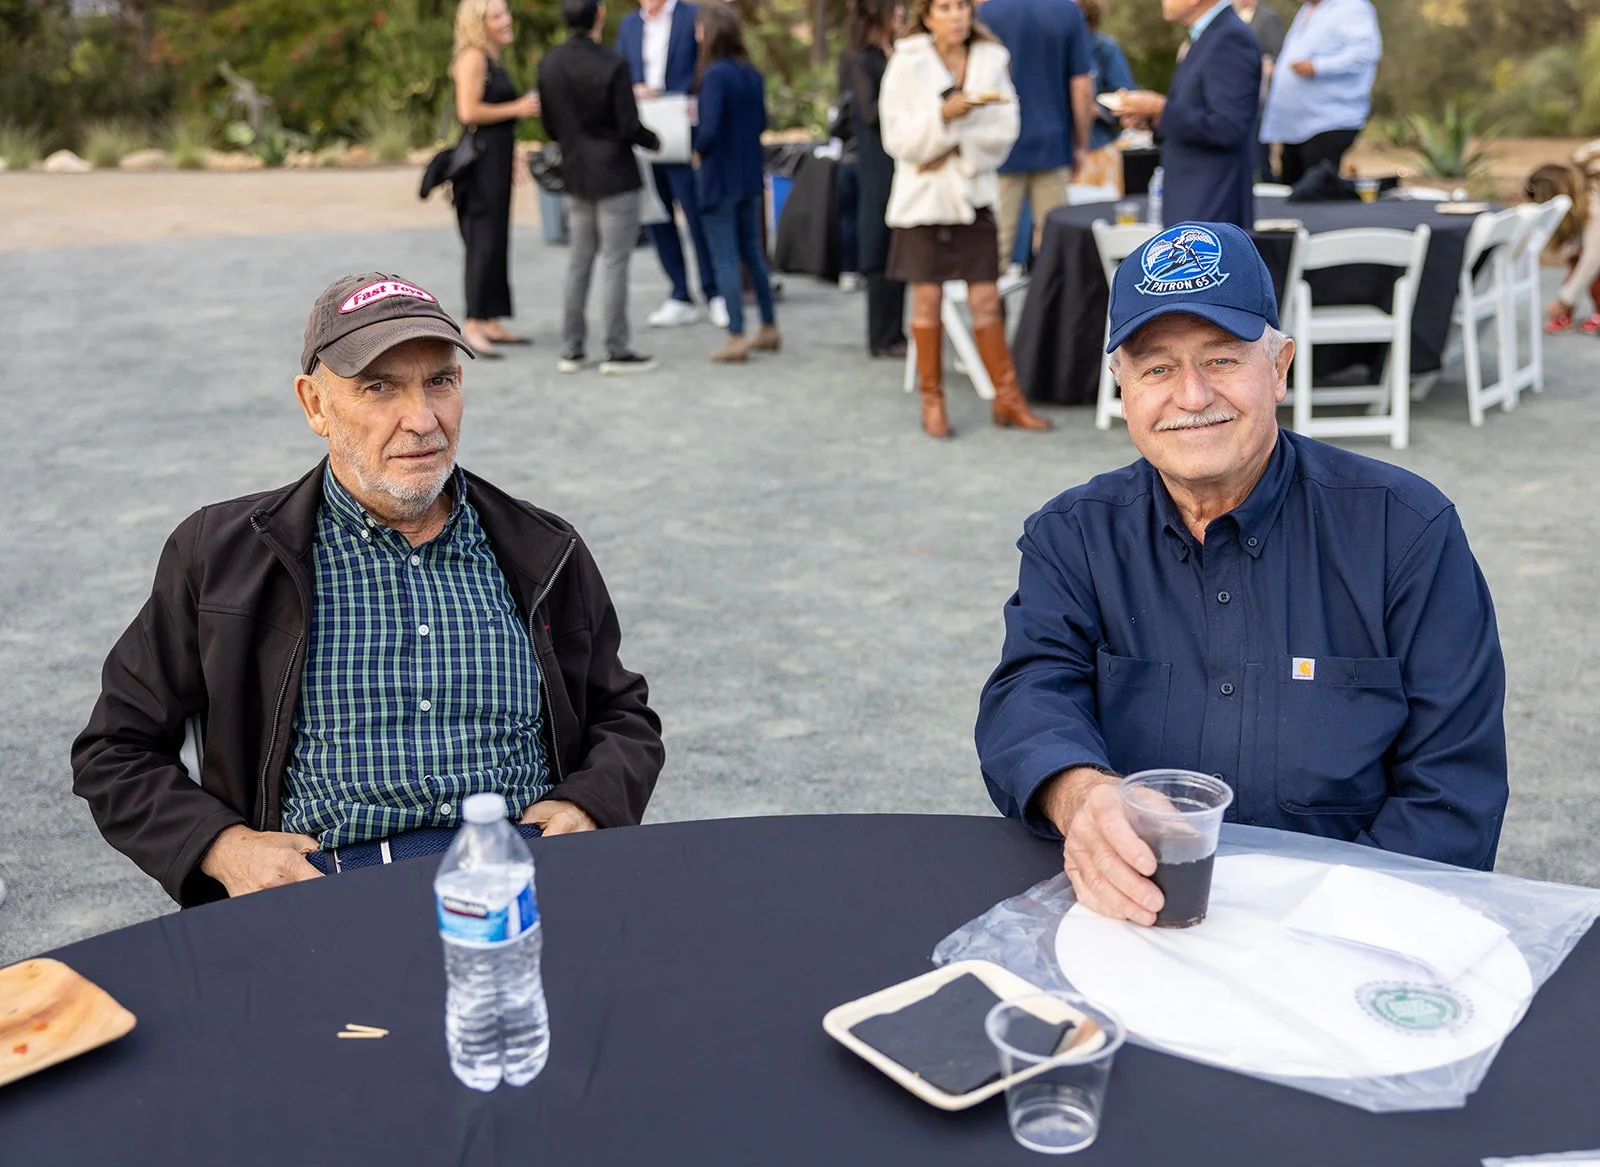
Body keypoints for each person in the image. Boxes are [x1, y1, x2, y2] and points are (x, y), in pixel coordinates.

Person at [72, 273, 666, 905]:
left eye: (440, 381)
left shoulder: (543, 549)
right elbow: (115, 749)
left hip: (523, 877)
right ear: (315, 406)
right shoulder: (220, 557)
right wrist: (224, 847)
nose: (422, 420)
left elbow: (622, 715)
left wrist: (590, 804)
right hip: (325, 894)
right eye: (379, 388)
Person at [976, 221, 1509, 924]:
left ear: (1280, 366)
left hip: (1350, 935)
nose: (1192, 395)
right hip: (1134, 920)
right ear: (1122, 386)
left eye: (1223, 359)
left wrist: (1311, 936)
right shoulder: (1073, 536)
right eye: (1157, 368)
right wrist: (1080, 792)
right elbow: (1030, 691)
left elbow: (1453, 792)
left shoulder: (1405, 531)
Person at [880, 0, 1051, 438]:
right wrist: (941, 118)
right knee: (927, 303)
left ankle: (1008, 399)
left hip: (973, 197)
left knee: (986, 301)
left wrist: (954, 146)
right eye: (945, 7)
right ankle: (932, 402)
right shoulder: (907, 61)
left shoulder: (992, 60)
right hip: (923, 203)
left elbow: (1004, 128)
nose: (956, 15)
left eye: (962, 6)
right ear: (927, 15)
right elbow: (895, 136)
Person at [538, 0, 663, 375]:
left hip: (576, 173)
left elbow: (548, 125)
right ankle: (616, 348)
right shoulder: (612, 63)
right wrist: (655, 140)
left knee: (579, 261)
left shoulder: (550, 63)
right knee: (615, 262)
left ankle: (572, 349)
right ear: (599, 16)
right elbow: (629, 126)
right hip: (615, 174)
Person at [617, 0, 725, 328]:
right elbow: (620, 68)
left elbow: (708, 67)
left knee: (697, 212)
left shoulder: (692, 16)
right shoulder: (629, 25)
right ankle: (679, 293)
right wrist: (632, 90)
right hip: (644, 128)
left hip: (682, 125)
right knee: (656, 213)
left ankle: (715, 290)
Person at [972, 0, 1094, 270]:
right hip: (1053, 143)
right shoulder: (1067, 11)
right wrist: (1081, 145)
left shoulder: (986, 12)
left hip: (999, 146)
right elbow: (1082, 86)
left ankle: (990, 313)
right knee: (1056, 248)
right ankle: (1048, 311)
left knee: (994, 252)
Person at [1116, 0, 1261, 228]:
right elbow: (1199, 112)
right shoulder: (1209, 35)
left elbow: (1228, 127)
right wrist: (1155, 119)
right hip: (1196, 199)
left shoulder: (1230, 38)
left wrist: (1160, 108)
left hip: (1212, 205)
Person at [449, 0, 539, 358]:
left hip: (496, 159)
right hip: (480, 165)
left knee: (497, 238)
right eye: (497, 15)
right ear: (478, 23)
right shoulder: (473, 57)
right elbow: (468, 111)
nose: (507, 20)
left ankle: (491, 318)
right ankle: (473, 323)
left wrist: (512, 155)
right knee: (482, 241)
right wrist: (519, 108)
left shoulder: (492, 58)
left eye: (505, 13)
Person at [692, 2, 781, 364]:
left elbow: (709, 130)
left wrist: (696, 148)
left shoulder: (714, 76)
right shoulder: (750, 73)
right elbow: (761, 121)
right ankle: (769, 325)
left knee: (725, 259)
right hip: (748, 176)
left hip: (720, 178)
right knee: (753, 255)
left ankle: (736, 334)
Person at [1258, 0, 1382, 186]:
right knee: (1291, 196)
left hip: (1327, 122)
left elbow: (1364, 53)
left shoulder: (1351, 7)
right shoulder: (1309, 9)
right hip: (1297, 127)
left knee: (1315, 200)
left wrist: (1317, 67)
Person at [848, 0, 909, 358]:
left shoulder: (895, 54)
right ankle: (880, 334)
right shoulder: (863, 59)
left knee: (896, 245)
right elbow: (870, 112)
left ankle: (894, 329)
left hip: (898, 162)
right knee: (876, 242)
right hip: (876, 165)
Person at [1527, 144, 1600, 335]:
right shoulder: (1583, 188)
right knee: (1575, 256)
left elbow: (1593, 258)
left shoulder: (1594, 205)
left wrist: (1565, 299)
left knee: (1590, 266)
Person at [1078, 0, 1136, 193]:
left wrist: (1096, 109)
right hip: (1060, 152)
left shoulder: (1104, 48)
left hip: (1099, 146)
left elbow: (1126, 95)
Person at [1233, 0, 1286, 182]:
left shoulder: (1267, 17)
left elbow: (1279, 52)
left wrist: (1265, 63)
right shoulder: (1231, 16)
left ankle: (1265, 178)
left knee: (1259, 140)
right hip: (1236, 91)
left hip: (1261, 91)